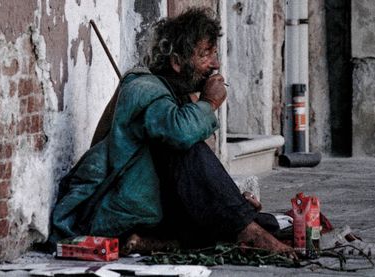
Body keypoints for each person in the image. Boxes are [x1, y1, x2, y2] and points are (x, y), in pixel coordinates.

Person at [49, 7, 296, 259]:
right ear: (177, 62)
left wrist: (230, 198)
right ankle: (247, 232)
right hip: (106, 211)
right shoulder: (142, 88)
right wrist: (208, 104)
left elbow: (191, 179)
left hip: (146, 209)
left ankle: (146, 241)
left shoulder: (172, 94)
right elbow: (180, 134)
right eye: (205, 55)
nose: (215, 64)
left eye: (214, 53)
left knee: (256, 222)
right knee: (185, 146)